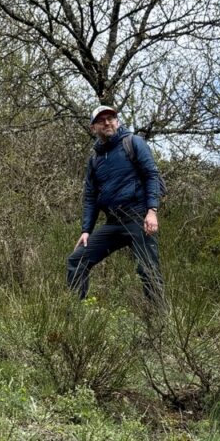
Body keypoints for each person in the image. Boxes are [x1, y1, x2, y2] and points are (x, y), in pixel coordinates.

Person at [67, 104, 165, 304]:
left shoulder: (133, 142)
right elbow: (90, 196)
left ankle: (160, 326)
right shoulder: (95, 160)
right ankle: (75, 318)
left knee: (148, 270)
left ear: (117, 121)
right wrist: (86, 230)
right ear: (93, 128)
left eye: (111, 118)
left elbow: (151, 175)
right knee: (77, 260)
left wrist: (152, 211)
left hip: (138, 217)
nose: (107, 122)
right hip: (113, 222)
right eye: (101, 120)